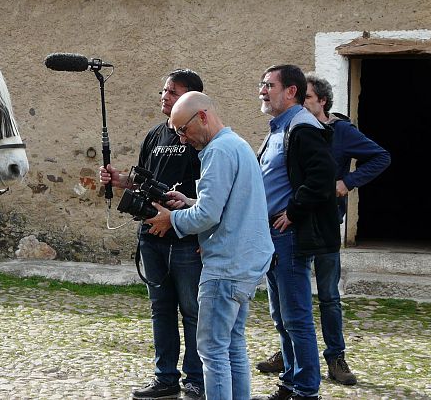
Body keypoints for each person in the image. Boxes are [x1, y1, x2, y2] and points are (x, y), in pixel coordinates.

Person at [255, 73, 390, 385]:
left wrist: (346, 183)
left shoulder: (330, 131)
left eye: (308, 98)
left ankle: (331, 361)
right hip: (286, 229)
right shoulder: (286, 128)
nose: (303, 103)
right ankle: (290, 364)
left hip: (317, 227)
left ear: (320, 100)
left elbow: (377, 158)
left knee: (326, 296)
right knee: (286, 305)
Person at [144, 92, 274, 400]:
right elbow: (226, 204)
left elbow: (207, 215)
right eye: (176, 132)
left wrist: (171, 221)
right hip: (246, 261)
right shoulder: (238, 145)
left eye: (183, 130)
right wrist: (187, 202)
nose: (182, 139)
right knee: (232, 346)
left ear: (202, 116)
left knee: (212, 351)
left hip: (226, 265)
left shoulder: (218, 151)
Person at [100, 69, 205, 400]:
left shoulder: (201, 139)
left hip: (186, 240)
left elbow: (210, 197)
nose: (165, 96)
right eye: (163, 90)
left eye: (173, 92)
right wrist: (120, 182)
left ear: (191, 98)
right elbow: (143, 181)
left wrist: (201, 235)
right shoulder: (154, 136)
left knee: (192, 311)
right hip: (151, 236)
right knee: (161, 309)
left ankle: (197, 379)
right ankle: (165, 378)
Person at [252, 65, 340, 400]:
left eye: (268, 85)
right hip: (272, 234)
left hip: (288, 235)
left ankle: (306, 390)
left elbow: (322, 177)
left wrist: (293, 210)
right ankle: (290, 381)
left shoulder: (302, 127)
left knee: (296, 316)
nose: (262, 90)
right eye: (261, 84)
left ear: (291, 91)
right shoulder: (279, 127)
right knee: (281, 315)